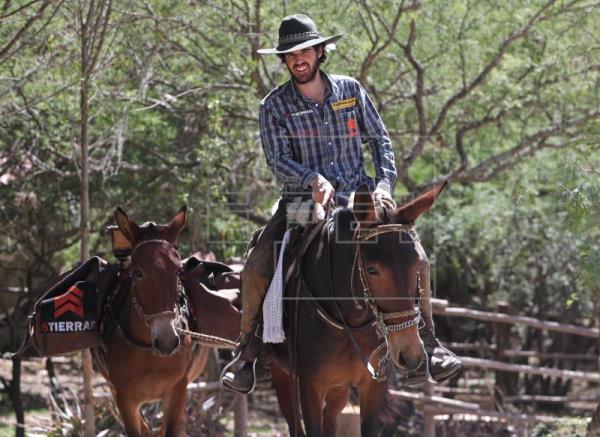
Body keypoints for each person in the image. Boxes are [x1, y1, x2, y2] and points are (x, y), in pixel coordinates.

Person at [221, 14, 461, 394]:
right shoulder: (274, 106)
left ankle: (430, 344)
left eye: (304, 52)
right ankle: (248, 350)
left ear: (319, 52)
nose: (298, 60)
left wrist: (384, 185)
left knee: (415, 254)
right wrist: (311, 179)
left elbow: (380, 141)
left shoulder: (350, 90)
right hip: (302, 200)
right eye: (290, 55)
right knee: (257, 264)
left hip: (362, 198)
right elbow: (278, 160)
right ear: (284, 61)